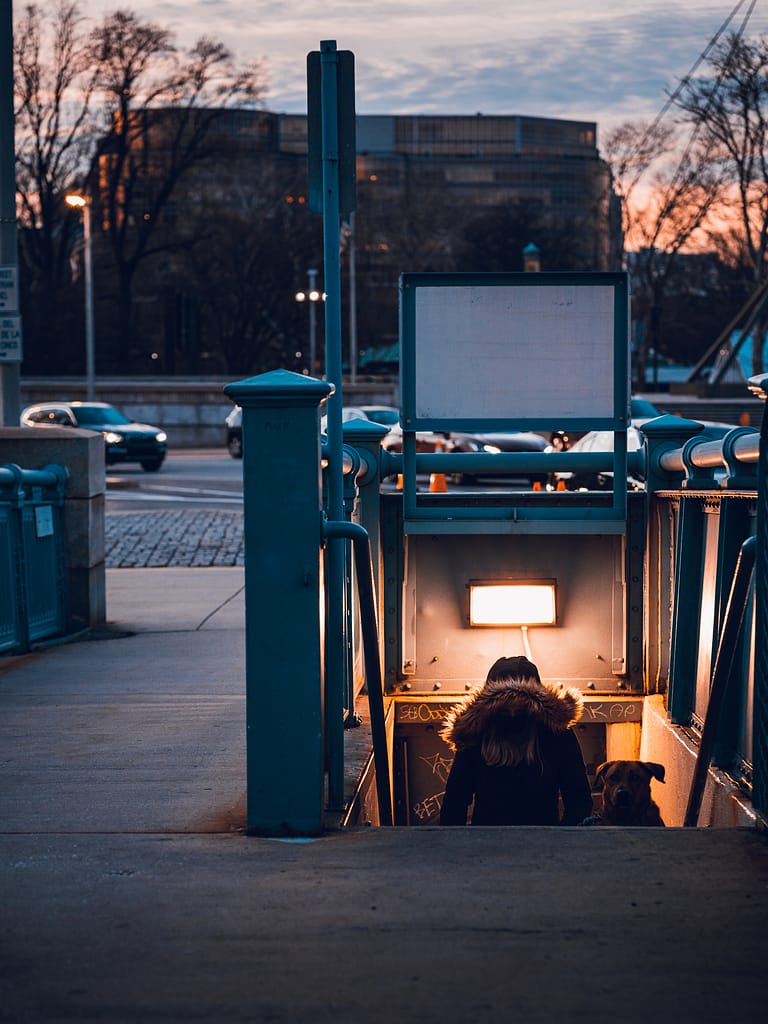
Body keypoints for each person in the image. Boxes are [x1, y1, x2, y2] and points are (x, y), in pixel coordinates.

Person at [439, 655, 592, 826]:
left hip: (535, 845)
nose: (512, 712)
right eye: (504, 703)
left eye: (521, 703)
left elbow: (578, 801)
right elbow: (455, 802)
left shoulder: (556, 734)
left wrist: (560, 841)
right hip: (492, 845)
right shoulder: (475, 734)